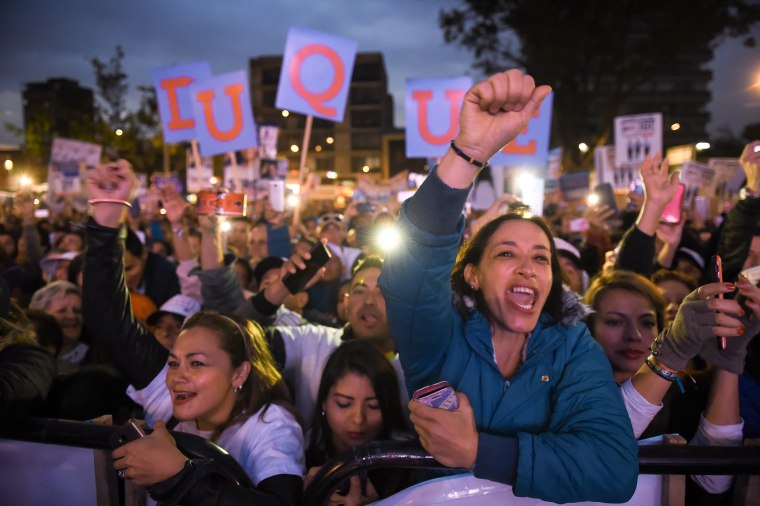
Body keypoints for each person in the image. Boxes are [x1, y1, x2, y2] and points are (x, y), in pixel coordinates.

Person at [377, 69, 638, 503]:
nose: (527, 268)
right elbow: (414, 267)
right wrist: (469, 152)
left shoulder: (572, 346)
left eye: (540, 257)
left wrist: (480, 451)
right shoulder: (440, 336)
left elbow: (614, 466)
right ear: (473, 275)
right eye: (506, 254)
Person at [82, 159, 304, 505]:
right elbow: (108, 322)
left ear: (240, 372)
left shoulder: (269, 427)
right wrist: (107, 221)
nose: (177, 378)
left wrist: (180, 475)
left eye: (197, 364)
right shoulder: (167, 400)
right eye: (173, 363)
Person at [584, 269, 759, 499]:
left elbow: (713, 481)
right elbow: (595, 449)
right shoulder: (569, 393)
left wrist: (729, 358)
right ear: (588, 328)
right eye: (615, 321)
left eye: (647, 322)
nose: (634, 335)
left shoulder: (685, 393)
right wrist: (670, 353)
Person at [304, 340, 412, 504]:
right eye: (344, 404)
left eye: (373, 406)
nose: (358, 419)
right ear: (324, 402)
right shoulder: (300, 454)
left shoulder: (407, 463)